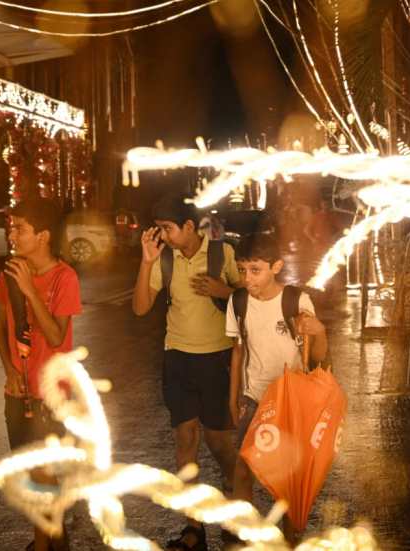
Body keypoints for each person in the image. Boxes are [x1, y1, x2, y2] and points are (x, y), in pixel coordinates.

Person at [132, 194, 242, 551]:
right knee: (186, 441)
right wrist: (146, 263)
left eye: (167, 229)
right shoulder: (165, 258)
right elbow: (140, 308)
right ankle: (193, 528)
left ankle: (235, 512)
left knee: (220, 443)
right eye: (159, 229)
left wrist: (222, 290)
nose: (162, 236)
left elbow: (247, 299)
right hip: (177, 358)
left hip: (217, 359)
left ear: (190, 227)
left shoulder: (220, 255)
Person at [0, 196, 81, 551]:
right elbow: (1, 330)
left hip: (51, 396)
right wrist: (9, 368)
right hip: (18, 395)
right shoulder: (10, 273)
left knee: (44, 483)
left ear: (42, 235)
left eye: (20, 229)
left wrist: (31, 290)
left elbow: (57, 336)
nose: (13, 235)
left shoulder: (64, 278)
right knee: (32, 482)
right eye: (12, 228)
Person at [226, 234, 328, 544]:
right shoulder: (238, 301)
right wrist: (234, 399)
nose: (247, 278)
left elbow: (318, 355)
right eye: (242, 270)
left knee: (287, 479)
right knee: (243, 470)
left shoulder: (296, 301)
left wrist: (319, 331)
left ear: (276, 267)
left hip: (290, 401)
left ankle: (291, 540)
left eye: (255, 270)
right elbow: (238, 351)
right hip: (254, 397)